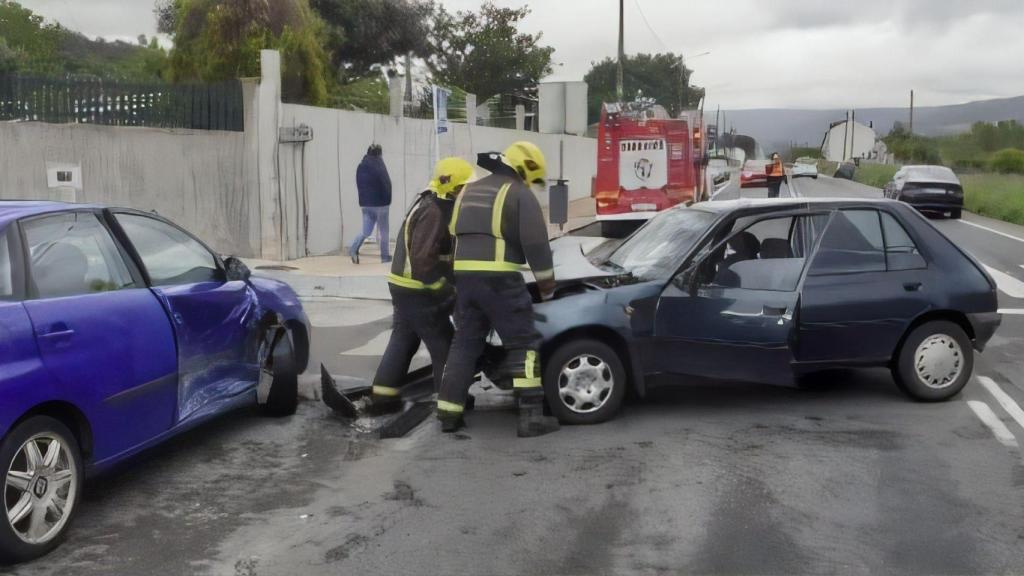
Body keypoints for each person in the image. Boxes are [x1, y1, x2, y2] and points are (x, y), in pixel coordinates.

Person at [437, 141, 560, 437]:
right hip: (501, 280)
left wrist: (456, 281)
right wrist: (547, 289)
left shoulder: (468, 191)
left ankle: (449, 414)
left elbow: (449, 239)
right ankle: (531, 417)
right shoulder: (518, 193)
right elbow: (536, 245)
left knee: (464, 343)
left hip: (465, 280)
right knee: (523, 344)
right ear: (524, 168)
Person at [363, 157, 475, 415]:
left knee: (404, 338)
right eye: (465, 187)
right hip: (418, 290)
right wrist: (444, 290)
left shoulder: (427, 201)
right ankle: (450, 400)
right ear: (454, 187)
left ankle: (383, 395)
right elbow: (423, 259)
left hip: (404, 286)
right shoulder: (435, 210)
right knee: (443, 342)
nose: (467, 192)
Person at [350, 144, 393, 264]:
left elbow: (360, 185)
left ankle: (353, 249)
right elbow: (386, 184)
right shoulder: (379, 165)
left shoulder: (361, 166)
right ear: (379, 154)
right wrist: (387, 199)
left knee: (366, 231)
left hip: (366, 205)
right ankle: (384, 257)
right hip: (381, 204)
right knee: (384, 231)